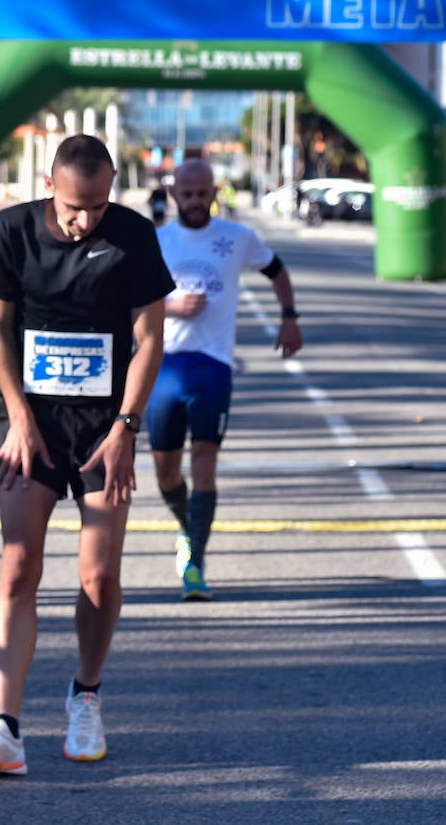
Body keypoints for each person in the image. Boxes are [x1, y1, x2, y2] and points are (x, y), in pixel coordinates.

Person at [0, 135, 174, 775]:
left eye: (98, 204)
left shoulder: (134, 236)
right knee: (18, 567)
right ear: (50, 184)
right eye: (75, 207)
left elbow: (149, 339)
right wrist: (19, 418)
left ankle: (86, 695)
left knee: (99, 574)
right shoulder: (10, 232)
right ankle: (4, 727)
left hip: (105, 427)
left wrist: (125, 428)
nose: (85, 220)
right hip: (32, 422)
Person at [148, 158, 303, 600]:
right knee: (166, 473)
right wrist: (171, 308)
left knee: (205, 465)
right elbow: (129, 300)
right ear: (173, 193)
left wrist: (289, 318)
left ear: (215, 192)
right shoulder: (156, 241)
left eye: (203, 193)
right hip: (164, 366)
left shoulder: (238, 238)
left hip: (213, 366)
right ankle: (186, 525)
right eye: (188, 193)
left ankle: (195, 561)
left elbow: (278, 271)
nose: (195, 201)